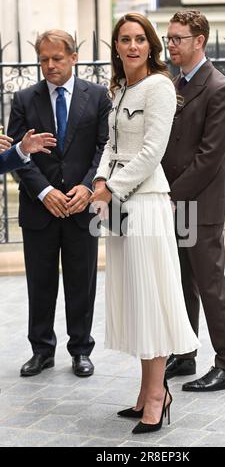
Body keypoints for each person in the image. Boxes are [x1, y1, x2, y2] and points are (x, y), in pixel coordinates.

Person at [90, 13, 200, 435]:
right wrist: (101, 180)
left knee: (150, 299)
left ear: (150, 45)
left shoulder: (159, 85)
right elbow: (111, 146)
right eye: (125, 39)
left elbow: (152, 151)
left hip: (146, 202)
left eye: (140, 39)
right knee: (135, 297)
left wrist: (108, 188)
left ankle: (159, 396)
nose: (132, 46)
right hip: (118, 204)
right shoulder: (119, 89)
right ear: (116, 46)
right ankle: (145, 392)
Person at [8, 30, 111, 378]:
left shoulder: (97, 97)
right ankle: (41, 350)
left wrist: (87, 188)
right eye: (44, 60)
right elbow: (15, 155)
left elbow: (104, 149)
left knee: (82, 282)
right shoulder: (24, 99)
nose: (49, 66)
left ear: (73, 57)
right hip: (40, 209)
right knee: (40, 282)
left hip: (83, 207)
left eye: (57, 58)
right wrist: (44, 192)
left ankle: (81, 349)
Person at [162, 10, 225, 391]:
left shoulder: (219, 87)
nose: (170, 44)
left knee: (210, 286)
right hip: (176, 203)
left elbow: (209, 157)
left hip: (200, 206)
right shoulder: (174, 83)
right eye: (169, 37)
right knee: (181, 283)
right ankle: (185, 353)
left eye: (178, 38)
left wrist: (168, 194)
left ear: (199, 41)